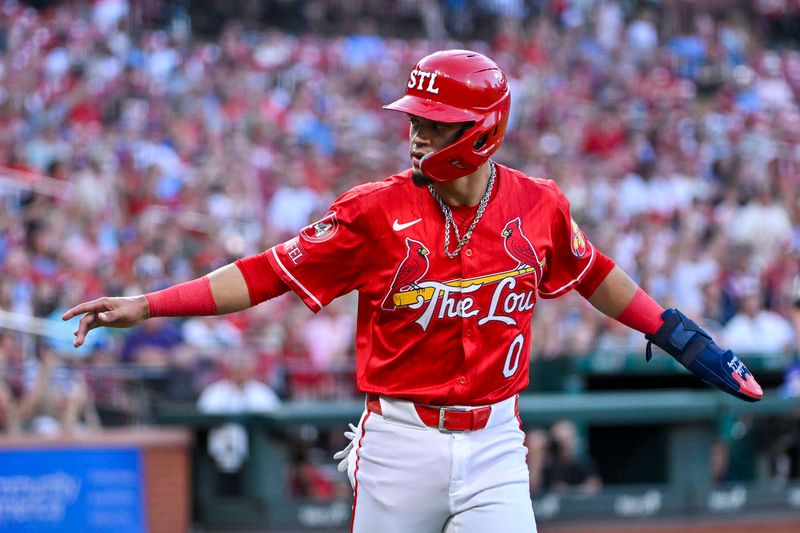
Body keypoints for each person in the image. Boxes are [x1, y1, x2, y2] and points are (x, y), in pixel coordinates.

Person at [63, 50, 763, 532]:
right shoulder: (373, 211)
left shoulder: (538, 203)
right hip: (400, 440)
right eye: (414, 120)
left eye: (433, 123)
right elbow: (265, 271)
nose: (416, 135)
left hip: (494, 439)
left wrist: (676, 332)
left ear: (481, 131)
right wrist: (149, 303)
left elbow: (594, 274)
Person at [541, 419, 602, 495]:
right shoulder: (548, 464)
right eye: (560, 442)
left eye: (569, 440)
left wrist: (568, 490)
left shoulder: (584, 463)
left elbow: (594, 487)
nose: (565, 446)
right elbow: (535, 488)